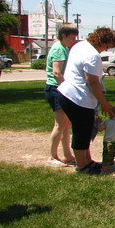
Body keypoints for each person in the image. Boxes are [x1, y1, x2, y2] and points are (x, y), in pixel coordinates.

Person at [57, 27, 115, 174]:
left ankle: (88, 161)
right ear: (101, 42)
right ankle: (82, 166)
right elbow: (92, 82)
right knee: (81, 132)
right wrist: (104, 103)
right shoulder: (92, 55)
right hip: (78, 98)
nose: (105, 49)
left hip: (68, 94)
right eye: (106, 46)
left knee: (85, 130)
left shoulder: (80, 45)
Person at [45, 23, 79, 167]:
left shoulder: (63, 47)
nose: (73, 41)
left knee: (66, 124)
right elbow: (57, 72)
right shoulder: (59, 48)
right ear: (63, 36)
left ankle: (67, 155)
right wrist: (66, 88)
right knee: (60, 124)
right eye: (71, 38)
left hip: (59, 88)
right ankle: (52, 157)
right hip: (56, 88)